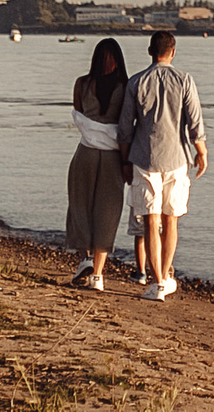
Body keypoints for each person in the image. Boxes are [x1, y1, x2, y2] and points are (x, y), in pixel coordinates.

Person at [117, 29, 207, 300]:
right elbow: (195, 121)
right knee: (171, 221)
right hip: (177, 158)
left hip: (144, 158)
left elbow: (125, 128)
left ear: (150, 51)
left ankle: (156, 283)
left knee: (149, 221)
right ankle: (166, 276)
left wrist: (123, 160)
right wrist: (201, 152)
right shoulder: (185, 80)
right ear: (173, 51)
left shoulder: (136, 82)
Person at [65, 38, 132, 290]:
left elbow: (79, 113)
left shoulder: (82, 83)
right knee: (108, 211)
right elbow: (126, 124)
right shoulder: (125, 87)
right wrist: (127, 162)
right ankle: (98, 276)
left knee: (79, 205)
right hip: (113, 156)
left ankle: (85, 259)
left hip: (86, 153)